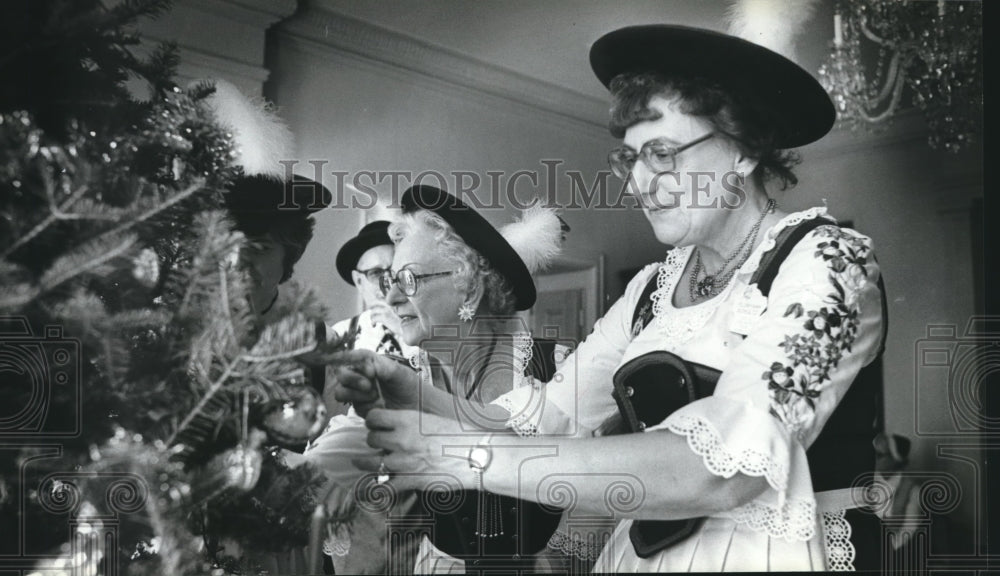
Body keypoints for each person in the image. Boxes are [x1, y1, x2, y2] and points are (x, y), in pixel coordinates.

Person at [335, 24, 888, 572]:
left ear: (744, 150)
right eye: (630, 159)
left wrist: (460, 457)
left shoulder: (827, 260)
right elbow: (543, 422)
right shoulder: (651, 290)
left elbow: (722, 470)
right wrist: (416, 395)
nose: (640, 182)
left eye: (663, 153)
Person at [319, 184, 566, 573]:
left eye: (410, 280)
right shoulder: (399, 377)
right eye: (391, 280)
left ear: (468, 285)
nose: (394, 298)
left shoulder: (557, 373)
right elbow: (320, 467)